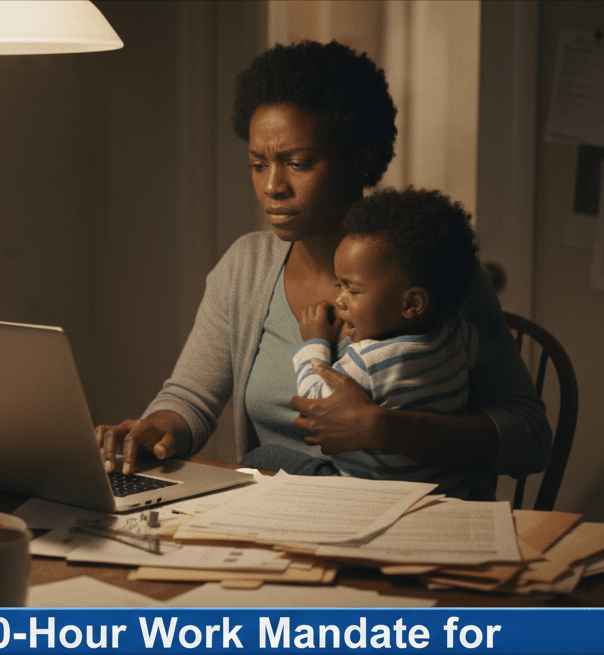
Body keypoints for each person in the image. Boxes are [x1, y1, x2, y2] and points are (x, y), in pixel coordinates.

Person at [96, 40, 549, 501]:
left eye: (298, 163)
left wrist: (388, 429)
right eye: (257, 164)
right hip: (282, 523)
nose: (272, 186)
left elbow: (529, 437)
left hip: (417, 524)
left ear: (360, 160)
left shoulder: (429, 272)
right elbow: (190, 399)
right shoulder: (245, 268)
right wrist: (153, 430)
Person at [293, 187, 478, 493]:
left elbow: (315, 405)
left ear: (411, 304)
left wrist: (313, 344)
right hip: (441, 491)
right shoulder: (456, 333)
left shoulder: (367, 361)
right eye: (339, 285)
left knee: (264, 456)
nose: (338, 300)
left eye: (352, 290)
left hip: (369, 494)